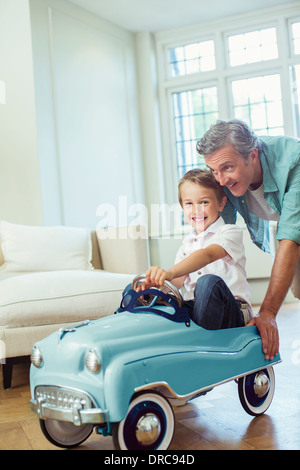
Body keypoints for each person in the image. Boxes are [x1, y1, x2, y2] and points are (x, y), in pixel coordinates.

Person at [196, 119, 300, 360]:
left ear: (252, 156)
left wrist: (268, 313)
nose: (220, 180)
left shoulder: (294, 161)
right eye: (213, 170)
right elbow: (214, 238)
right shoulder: (223, 174)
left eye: (227, 169)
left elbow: (291, 239)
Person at [138, 169, 252, 330]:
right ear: (182, 207)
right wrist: (154, 287)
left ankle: (200, 342)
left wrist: (169, 272)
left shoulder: (229, 232)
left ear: (221, 203)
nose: (196, 210)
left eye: (204, 202)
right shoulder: (187, 244)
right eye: (189, 203)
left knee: (207, 283)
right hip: (196, 309)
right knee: (141, 293)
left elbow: (207, 255)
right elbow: (176, 282)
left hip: (231, 310)